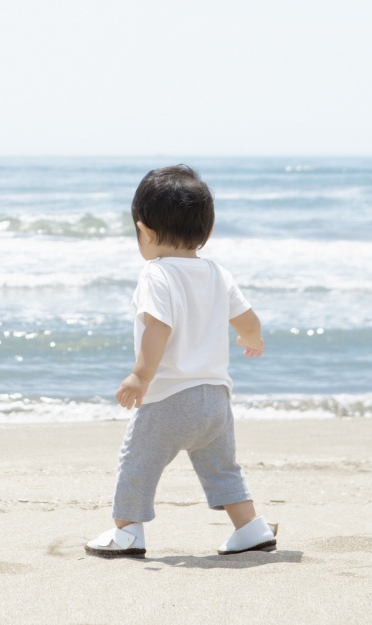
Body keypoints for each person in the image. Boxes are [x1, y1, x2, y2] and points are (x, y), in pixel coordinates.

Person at [86, 165, 277, 558]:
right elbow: (247, 319)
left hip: (170, 397)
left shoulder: (156, 274)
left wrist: (141, 375)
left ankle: (127, 532)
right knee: (222, 468)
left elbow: (159, 326)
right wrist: (251, 338)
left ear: (147, 231)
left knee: (138, 463)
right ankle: (250, 528)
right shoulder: (216, 272)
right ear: (205, 232)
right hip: (215, 399)